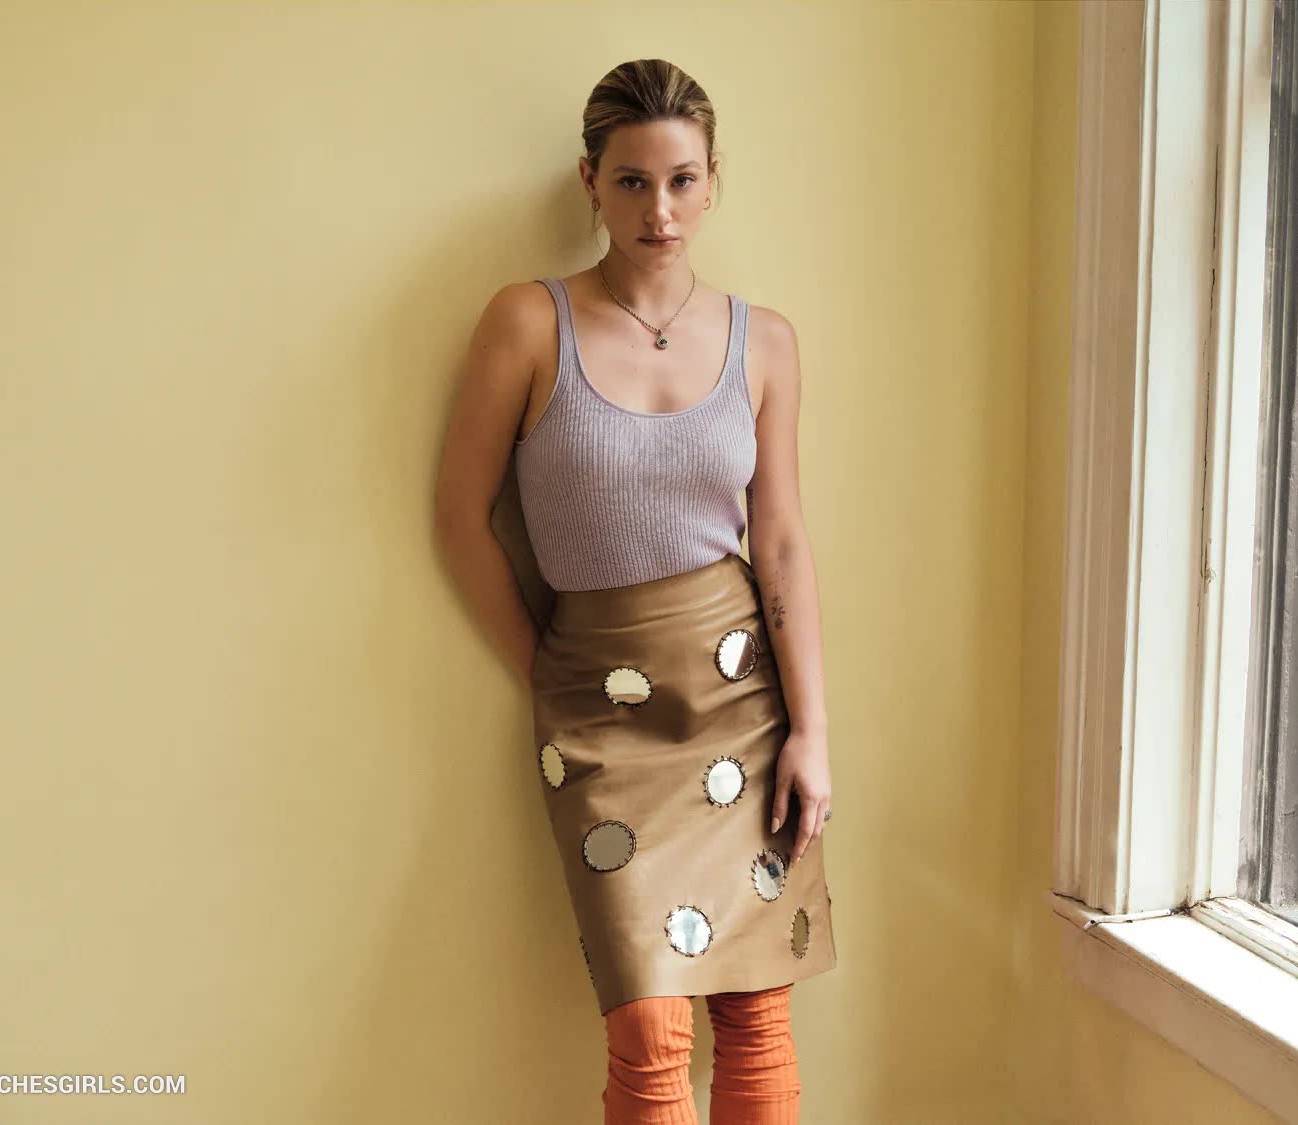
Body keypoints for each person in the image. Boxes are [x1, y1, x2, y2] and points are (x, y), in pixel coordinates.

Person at [434, 57, 838, 1125]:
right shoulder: (530, 322)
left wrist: (812, 729)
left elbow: (781, 542)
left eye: (682, 180)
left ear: (712, 182)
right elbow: (461, 515)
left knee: (755, 1010)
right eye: (632, 182)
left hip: (742, 698)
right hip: (597, 714)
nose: (660, 211)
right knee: (650, 1028)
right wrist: (550, 670)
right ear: (590, 181)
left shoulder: (766, 342)